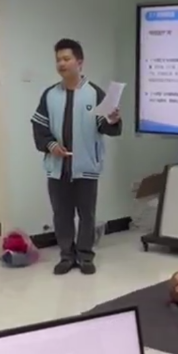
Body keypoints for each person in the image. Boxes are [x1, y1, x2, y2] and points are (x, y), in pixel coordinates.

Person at [31, 38, 121, 275]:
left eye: (66, 58)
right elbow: (39, 127)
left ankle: (85, 256)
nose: (61, 63)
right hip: (57, 167)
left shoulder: (94, 93)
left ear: (79, 62)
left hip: (87, 166)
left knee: (86, 215)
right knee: (62, 214)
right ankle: (66, 256)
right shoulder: (50, 95)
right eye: (58, 60)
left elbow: (107, 127)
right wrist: (51, 146)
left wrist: (113, 120)